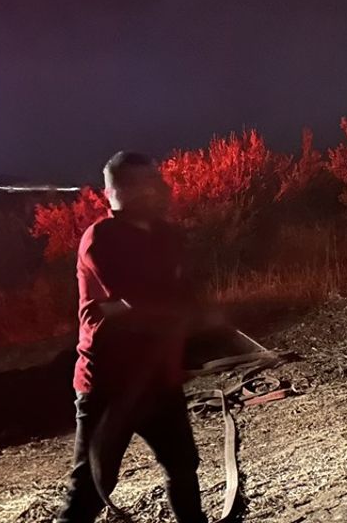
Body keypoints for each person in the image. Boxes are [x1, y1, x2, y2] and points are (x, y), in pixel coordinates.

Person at [56, 151, 208, 523]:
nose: (146, 192)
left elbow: (185, 294)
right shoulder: (100, 238)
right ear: (111, 192)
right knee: (91, 489)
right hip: (108, 386)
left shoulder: (167, 235)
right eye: (133, 184)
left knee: (184, 468)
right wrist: (147, 305)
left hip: (159, 379)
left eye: (150, 182)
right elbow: (141, 296)